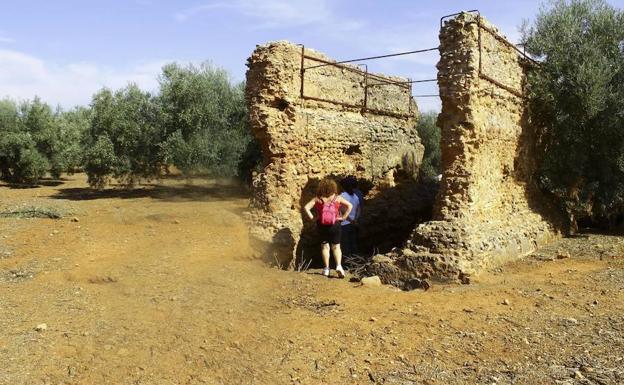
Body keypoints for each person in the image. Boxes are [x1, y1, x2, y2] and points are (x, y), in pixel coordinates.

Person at [303, 178, 352, 278]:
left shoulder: (318, 199)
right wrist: (343, 217)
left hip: (321, 224)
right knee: (336, 246)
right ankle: (338, 265)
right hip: (335, 224)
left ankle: (326, 268)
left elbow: (306, 207)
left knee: (325, 246)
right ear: (333, 187)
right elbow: (349, 206)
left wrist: (313, 218)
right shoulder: (337, 198)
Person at [339, 177, 361, 265]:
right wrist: (355, 219)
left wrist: (350, 220)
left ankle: (347, 264)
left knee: (345, 245)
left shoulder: (342, 196)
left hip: (344, 224)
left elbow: (343, 210)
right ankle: (355, 262)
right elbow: (359, 209)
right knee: (353, 243)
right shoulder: (355, 196)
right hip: (354, 224)